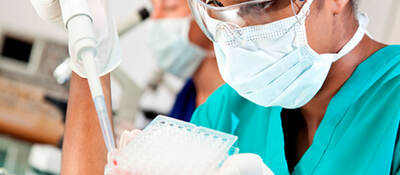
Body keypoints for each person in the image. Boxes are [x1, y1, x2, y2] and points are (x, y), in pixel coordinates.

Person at [61, 0, 400, 174]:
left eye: (258, 7)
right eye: (219, 9)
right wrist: (93, 56)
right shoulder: (227, 112)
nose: (239, 35)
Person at [149, 0, 224, 122]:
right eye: (153, 7)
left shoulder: (249, 99)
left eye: (170, 7)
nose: (155, 18)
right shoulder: (187, 98)